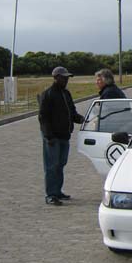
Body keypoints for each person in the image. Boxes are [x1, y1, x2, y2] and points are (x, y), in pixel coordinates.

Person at [38, 66, 85, 206]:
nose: (66, 80)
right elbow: (43, 117)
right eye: (64, 77)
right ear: (56, 77)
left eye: (67, 78)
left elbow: (72, 112)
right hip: (52, 137)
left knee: (60, 164)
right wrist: (48, 136)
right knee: (51, 166)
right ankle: (51, 194)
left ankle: (58, 191)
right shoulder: (48, 94)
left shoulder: (66, 94)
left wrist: (82, 119)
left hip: (65, 135)